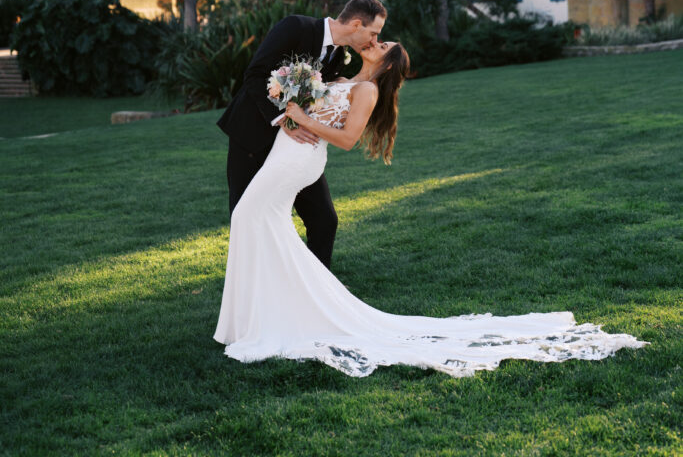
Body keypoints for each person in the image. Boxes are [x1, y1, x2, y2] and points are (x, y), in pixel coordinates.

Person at [214, 38, 647, 379]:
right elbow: (315, 113)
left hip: (299, 159)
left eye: (382, 46)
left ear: (386, 65)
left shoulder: (366, 89)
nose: (375, 44)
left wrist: (302, 119)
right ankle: (265, 314)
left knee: (250, 216)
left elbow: (345, 139)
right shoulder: (342, 75)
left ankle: (270, 315)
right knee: (257, 220)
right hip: (288, 148)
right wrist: (294, 110)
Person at [216, 0, 387, 269]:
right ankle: (253, 289)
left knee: (324, 219)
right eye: (373, 33)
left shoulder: (337, 57)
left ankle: (318, 293)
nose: (374, 40)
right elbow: (255, 74)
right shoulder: (295, 27)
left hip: (295, 151)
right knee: (245, 215)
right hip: (252, 137)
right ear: (356, 24)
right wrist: (285, 120)